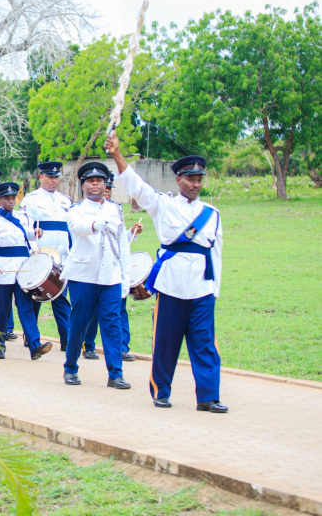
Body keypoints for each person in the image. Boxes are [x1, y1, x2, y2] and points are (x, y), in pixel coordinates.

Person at [106, 135, 227, 413]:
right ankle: (161, 391)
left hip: (201, 288)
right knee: (165, 343)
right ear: (178, 180)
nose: (195, 184)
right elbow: (136, 186)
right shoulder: (163, 205)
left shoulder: (212, 214)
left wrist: (215, 289)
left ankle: (208, 396)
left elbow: (216, 254)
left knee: (206, 344)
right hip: (171, 287)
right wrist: (117, 154)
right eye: (190, 179)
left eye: (199, 179)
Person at [61, 161, 132, 390]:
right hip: (83, 275)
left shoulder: (116, 209)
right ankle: (70, 367)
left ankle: (116, 373)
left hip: (110, 276)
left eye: (99, 181)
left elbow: (122, 245)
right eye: (91, 181)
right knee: (79, 323)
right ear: (83, 186)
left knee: (112, 323)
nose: (95, 184)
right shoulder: (76, 210)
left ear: (105, 184)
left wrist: (125, 277)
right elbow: (79, 227)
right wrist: (97, 223)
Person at [0, 182, 52, 360]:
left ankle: (35, 345)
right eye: (6, 198)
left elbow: (24, 235)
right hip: (2, 271)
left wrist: (35, 232)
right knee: (2, 310)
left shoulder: (22, 217)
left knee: (26, 307)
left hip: (23, 269)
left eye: (13, 198)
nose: (10, 201)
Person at [83, 174, 144, 361]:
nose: (107, 192)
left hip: (114, 269)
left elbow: (118, 238)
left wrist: (131, 233)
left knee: (119, 310)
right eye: (105, 188)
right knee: (92, 312)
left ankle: (122, 347)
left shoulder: (116, 210)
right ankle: (89, 345)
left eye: (109, 189)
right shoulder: (85, 211)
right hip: (93, 269)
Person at [21, 161, 72, 349]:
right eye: (50, 177)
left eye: (56, 177)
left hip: (62, 257)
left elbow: (69, 230)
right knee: (36, 298)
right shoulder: (31, 200)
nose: (53, 180)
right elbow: (27, 228)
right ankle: (30, 335)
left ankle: (66, 339)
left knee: (60, 297)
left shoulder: (65, 201)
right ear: (40, 176)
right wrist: (32, 252)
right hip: (41, 257)